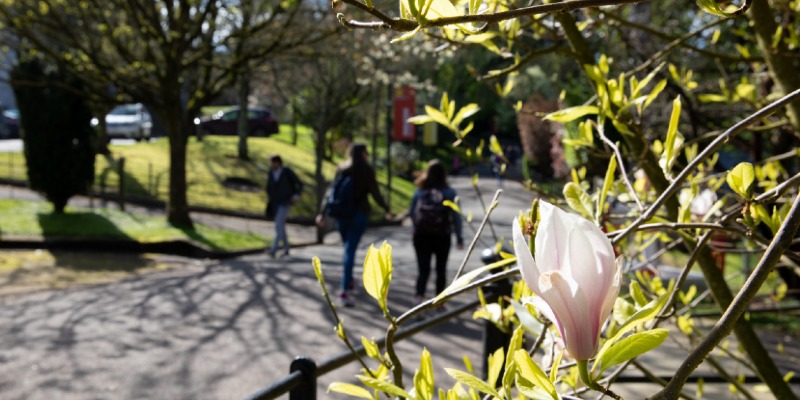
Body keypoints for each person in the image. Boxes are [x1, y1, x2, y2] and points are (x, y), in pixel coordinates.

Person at [316, 142, 393, 307]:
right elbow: (375, 192)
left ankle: (349, 281)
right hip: (359, 214)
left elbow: (331, 191)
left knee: (347, 249)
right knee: (349, 251)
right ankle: (344, 290)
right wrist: (386, 209)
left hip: (341, 215)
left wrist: (321, 213)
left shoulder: (342, 168)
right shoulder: (366, 169)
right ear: (364, 154)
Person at [409, 159, 464, 303]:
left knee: (423, 270)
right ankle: (439, 302)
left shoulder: (420, 191)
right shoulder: (450, 192)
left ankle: (419, 298)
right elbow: (456, 217)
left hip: (421, 236)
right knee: (441, 270)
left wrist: (416, 228)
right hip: (442, 236)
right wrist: (459, 238)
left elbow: (411, 213)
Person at [266, 154, 303, 258]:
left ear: (278, 162)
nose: (271, 165)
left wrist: (296, 196)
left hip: (285, 202)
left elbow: (299, 184)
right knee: (281, 225)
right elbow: (269, 187)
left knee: (278, 224)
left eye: (272, 163)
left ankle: (274, 249)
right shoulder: (271, 173)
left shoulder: (287, 172)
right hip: (275, 202)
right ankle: (286, 248)